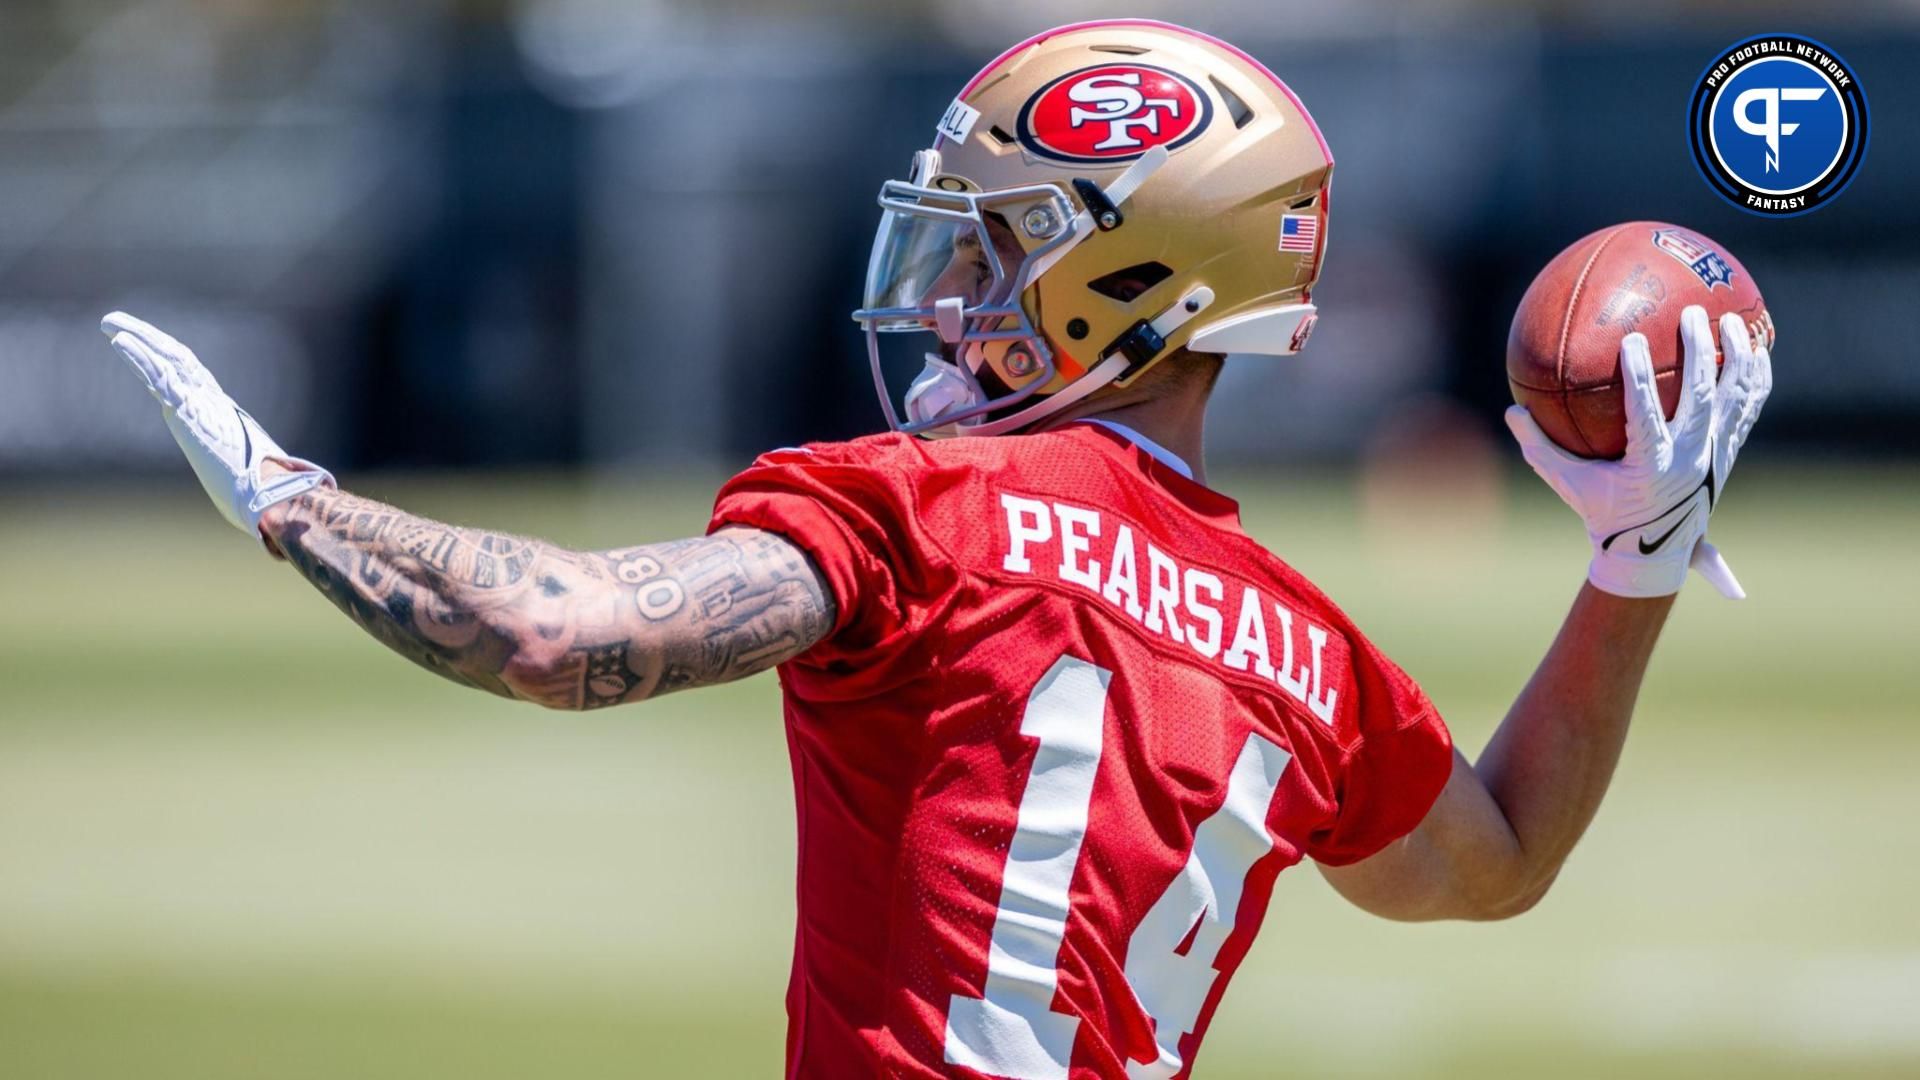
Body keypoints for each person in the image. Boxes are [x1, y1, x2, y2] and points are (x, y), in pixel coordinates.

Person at [103, 19, 1770, 1080]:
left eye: (993, 253)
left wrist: (293, 500)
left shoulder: (924, 507)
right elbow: (1495, 863)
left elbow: (558, 633)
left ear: (1137, 293)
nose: (952, 300)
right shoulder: (1302, 648)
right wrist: (1634, 568)